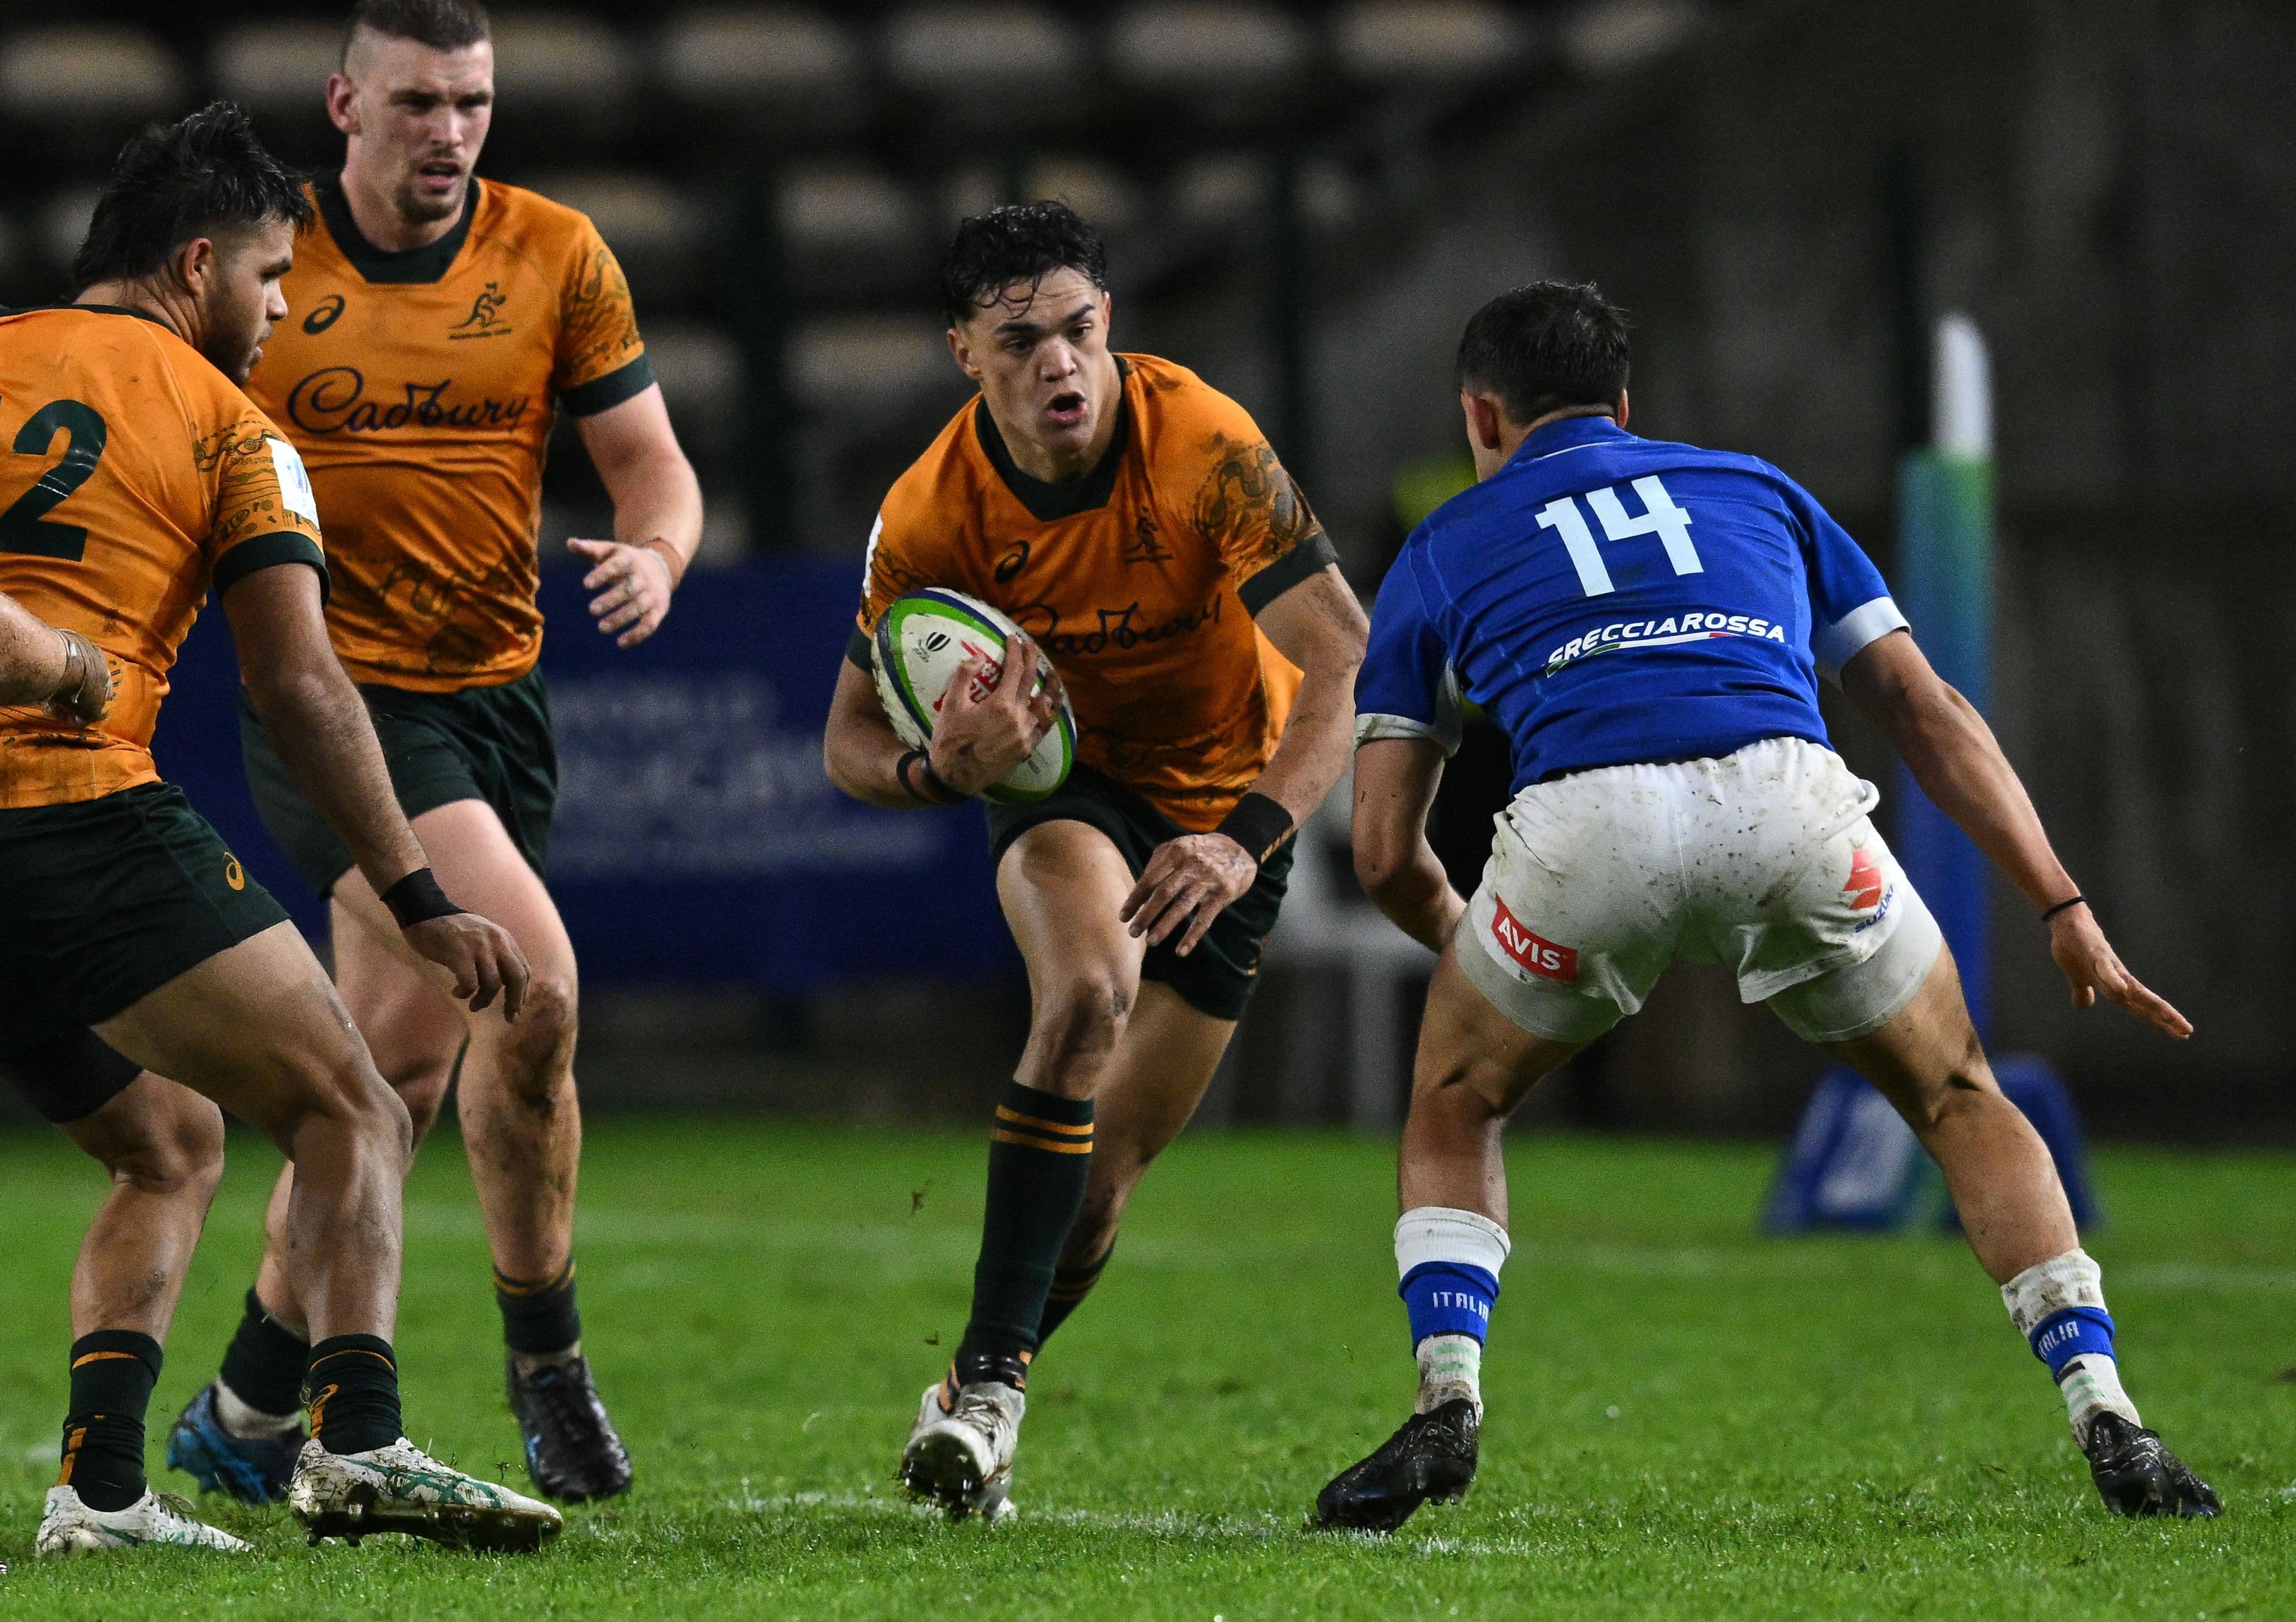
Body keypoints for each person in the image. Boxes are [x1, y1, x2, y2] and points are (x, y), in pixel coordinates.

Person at [1316, 281, 2216, 1531]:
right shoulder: (1758, 487)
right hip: (1786, 801)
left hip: (1583, 830)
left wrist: (1495, 954)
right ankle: (2103, 1402)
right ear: (1627, 407)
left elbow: (1377, 848)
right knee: (1958, 1093)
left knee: (1457, 1095)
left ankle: (1446, 1398)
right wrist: (2060, 901)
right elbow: (1925, 709)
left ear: (1480, 413)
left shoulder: (1441, 544)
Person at [168, 0, 702, 1508]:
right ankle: (549, 1359)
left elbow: (653, 465)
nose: (450, 133)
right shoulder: (275, 268)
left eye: (471, 102)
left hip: (496, 699)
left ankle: (250, 1398)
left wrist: (660, 554)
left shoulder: (556, 253)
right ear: (345, 104)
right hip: (333, 699)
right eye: (417, 103)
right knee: (531, 982)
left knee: (386, 1073)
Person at [10, 101, 557, 1554]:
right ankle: (358, 1441)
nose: (279, 312)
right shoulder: (232, 427)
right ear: (196, 266)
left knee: (170, 1137)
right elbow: (303, 684)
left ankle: (105, 1489)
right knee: (354, 1107)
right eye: (267, 279)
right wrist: (416, 887)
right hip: (67, 812)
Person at [823, 201, 1367, 1520]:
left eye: (1075, 330)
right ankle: (1002, 1391)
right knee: (1083, 998)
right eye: (1018, 342)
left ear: (1108, 322)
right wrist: (939, 772)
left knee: (1102, 1190)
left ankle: (961, 1393)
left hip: (1229, 811)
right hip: (1067, 788)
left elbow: (1343, 658)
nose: (1055, 364)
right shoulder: (931, 509)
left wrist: (1243, 842)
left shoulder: (1205, 446)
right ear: (965, 350)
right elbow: (843, 741)